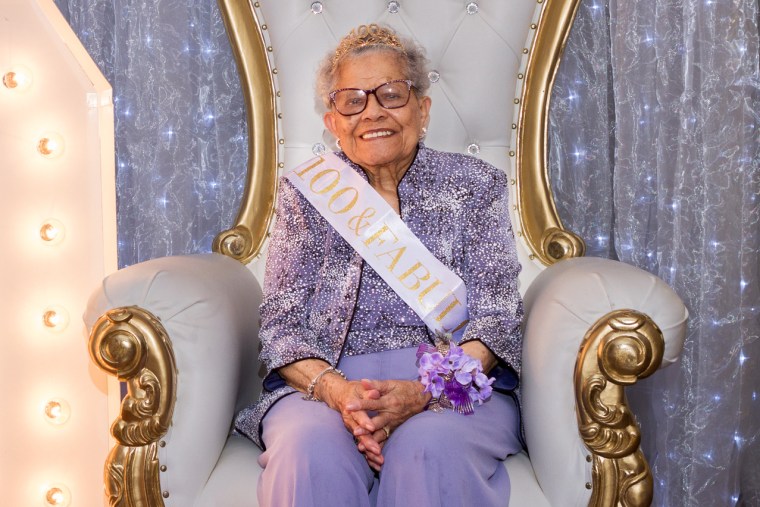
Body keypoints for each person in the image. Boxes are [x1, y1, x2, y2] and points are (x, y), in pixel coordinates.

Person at [235, 23, 524, 507]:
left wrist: (421, 395)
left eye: (390, 94)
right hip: (327, 386)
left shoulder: (476, 184)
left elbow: (497, 317)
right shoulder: (307, 195)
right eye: (352, 100)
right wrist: (341, 395)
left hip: (451, 384)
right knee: (309, 450)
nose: (372, 111)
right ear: (333, 122)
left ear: (422, 109)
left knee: (427, 447)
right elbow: (281, 324)